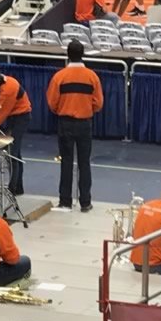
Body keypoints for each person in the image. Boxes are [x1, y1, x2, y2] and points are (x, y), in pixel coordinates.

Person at [48, 40, 103, 213]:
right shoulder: (92, 76)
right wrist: (87, 109)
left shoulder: (59, 76)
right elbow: (99, 102)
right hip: (84, 124)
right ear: (83, 54)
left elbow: (52, 102)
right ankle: (85, 202)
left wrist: (63, 110)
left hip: (65, 123)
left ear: (68, 55)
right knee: (84, 163)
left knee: (66, 162)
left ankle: (65, 201)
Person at [0, 62, 31, 194]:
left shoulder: (8, 89)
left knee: (12, 154)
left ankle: (12, 190)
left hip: (21, 118)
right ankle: (19, 187)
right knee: (15, 153)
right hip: (12, 116)